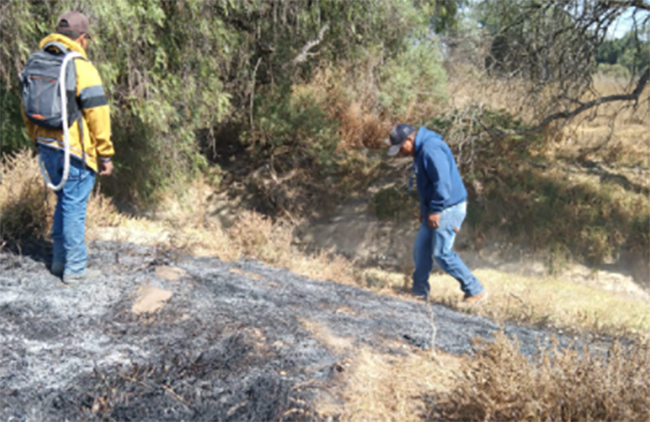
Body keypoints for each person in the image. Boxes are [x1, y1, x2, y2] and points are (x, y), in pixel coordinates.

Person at [22, 11, 114, 283]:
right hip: (75, 150)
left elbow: (25, 107)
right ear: (83, 38)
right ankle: (74, 269)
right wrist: (105, 153)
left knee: (63, 202)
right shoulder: (81, 66)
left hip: (46, 145)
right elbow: (98, 114)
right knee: (74, 207)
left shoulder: (36, 61)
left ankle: (59, 262)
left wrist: (35, 138)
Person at [386, 124, 487, 305]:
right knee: (421, 248)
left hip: (449, 208)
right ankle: (419, 293)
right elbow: (428, 186)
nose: (401, 153)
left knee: (441, 253)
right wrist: (425, 211)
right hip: (436, 208)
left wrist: (435, 210)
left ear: (409, 139)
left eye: (401, 148)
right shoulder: (421, 149)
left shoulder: (431, 149)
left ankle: (475, 291)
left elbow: (443, 184)